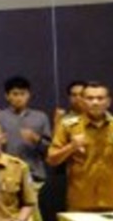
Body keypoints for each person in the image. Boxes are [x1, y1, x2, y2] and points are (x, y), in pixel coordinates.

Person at [47, 81, 113, 212]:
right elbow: (51, 160)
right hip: (81, 202)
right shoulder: (68, 126)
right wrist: (71, 146)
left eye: (100, 98)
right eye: (90, 98)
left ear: (108, 102)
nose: (95, 102)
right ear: (82, 101)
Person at [0, 76, 52, 184]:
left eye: (23, 93)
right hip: (4, 173)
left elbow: (50, 151)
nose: (19, 98)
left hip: (34, 174)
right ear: (7, 96)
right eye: (15, 94)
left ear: (29, 95)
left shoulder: (40, 117)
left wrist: (36, 139)